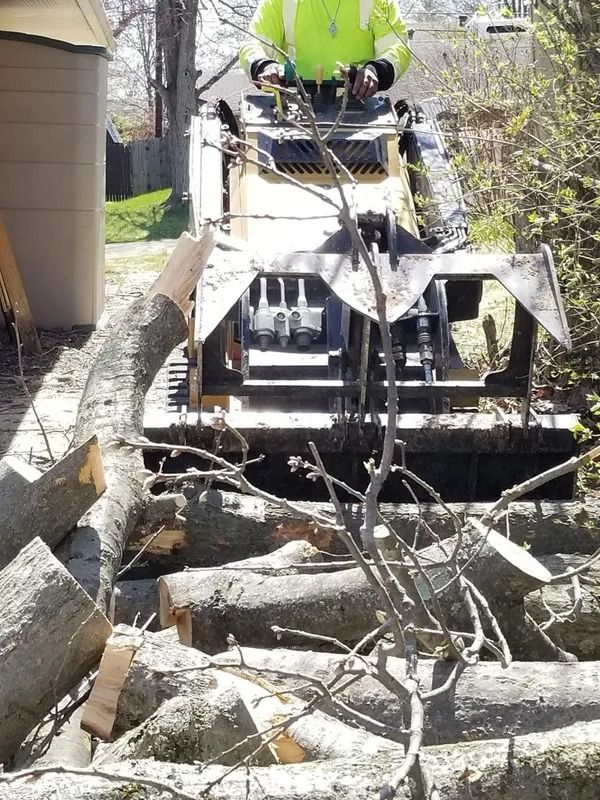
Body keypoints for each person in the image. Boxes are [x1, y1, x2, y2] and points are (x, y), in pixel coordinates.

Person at [239, 0, 410, 100]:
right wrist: (264, 66)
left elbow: (397, 46)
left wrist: (376, 71)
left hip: (357, 106)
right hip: (293, 108)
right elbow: (254, 43)